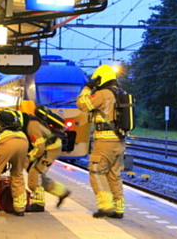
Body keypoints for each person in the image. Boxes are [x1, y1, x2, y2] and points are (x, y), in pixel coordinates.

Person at [76, 64, 126, 219]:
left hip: (104, 141)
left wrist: (86, 88)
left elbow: (82, 105)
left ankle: (106, 206)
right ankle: (119, 208)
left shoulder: (103, 94)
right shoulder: (121, 93)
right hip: (119, 141)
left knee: (96, 172)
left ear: (100, 79)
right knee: (114, 175)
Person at [23, 105, 71, 212]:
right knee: (40, 176)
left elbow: (40, 147)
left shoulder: (31, 126)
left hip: (51, 149)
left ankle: (38, 204)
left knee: (34, 174)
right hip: (50, 147)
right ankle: (62, 192)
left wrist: (29, 159)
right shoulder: (28, 122)